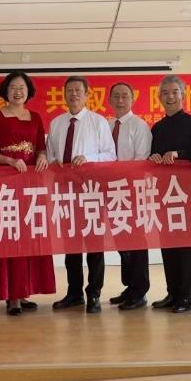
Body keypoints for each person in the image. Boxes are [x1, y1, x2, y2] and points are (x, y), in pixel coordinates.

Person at [0, 72, 55, 316]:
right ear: (5, 90)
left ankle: (24, 291)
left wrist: (42, 157)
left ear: (28, 91)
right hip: (6, 184)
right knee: (10, 236)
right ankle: (12, 295)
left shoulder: (35, 117)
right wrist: (10, 161)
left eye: (22, 87)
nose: (17, 91)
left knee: (28, 236)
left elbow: (41, 148)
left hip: (31, 184)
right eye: (13, 87)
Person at [47, 75, 117, 314]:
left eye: (78, 90)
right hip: (65, 193)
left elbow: (110, 155)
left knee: (95, 247)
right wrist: (53, 161)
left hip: (92, 193)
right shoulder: (56, 123)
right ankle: (74, 293)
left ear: (87, 95)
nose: (74, 94)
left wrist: (88, 159)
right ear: (64, 94)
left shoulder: (98, 122)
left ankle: (94, 294)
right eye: (70, 90)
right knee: (71, 247)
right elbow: (49, 155)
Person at [148, 75, 191, 314]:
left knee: (185, 248)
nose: (170, 96)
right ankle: (172, 293)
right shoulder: (157, 128)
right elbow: (150, 157)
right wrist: (153, 157)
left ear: (183, 95)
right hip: (164, 195)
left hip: (187, 196)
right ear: (159, 97)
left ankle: (186, 296)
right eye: (165, 93)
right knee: (168, 246)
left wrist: (179, 154)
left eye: (174, 92)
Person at [106, 82, 152, 311]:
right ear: (109, 100)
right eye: (116, 96)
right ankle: (129, 286)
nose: (120, 100)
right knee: (121, 241)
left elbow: (142, 160)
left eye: (125, 96)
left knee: (136, 241)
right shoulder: (106, 125)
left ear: (132, 99)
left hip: (132, 191)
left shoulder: (139, 126)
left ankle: (140, 290)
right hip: (110, 191)